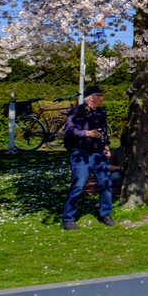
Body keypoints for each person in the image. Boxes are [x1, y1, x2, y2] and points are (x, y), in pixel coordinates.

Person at [61, 84, 113, 229]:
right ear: (91, 98)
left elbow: (102, 131)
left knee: (105, 183)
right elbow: (69, 132)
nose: (102, 99)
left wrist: (106, 145)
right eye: (100, 96)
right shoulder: (76, 112)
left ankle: (105, 213)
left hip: (98, 154)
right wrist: (88, 133)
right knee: (77, 185)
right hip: (81, 153)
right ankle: (68, 218)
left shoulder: (100, 113)